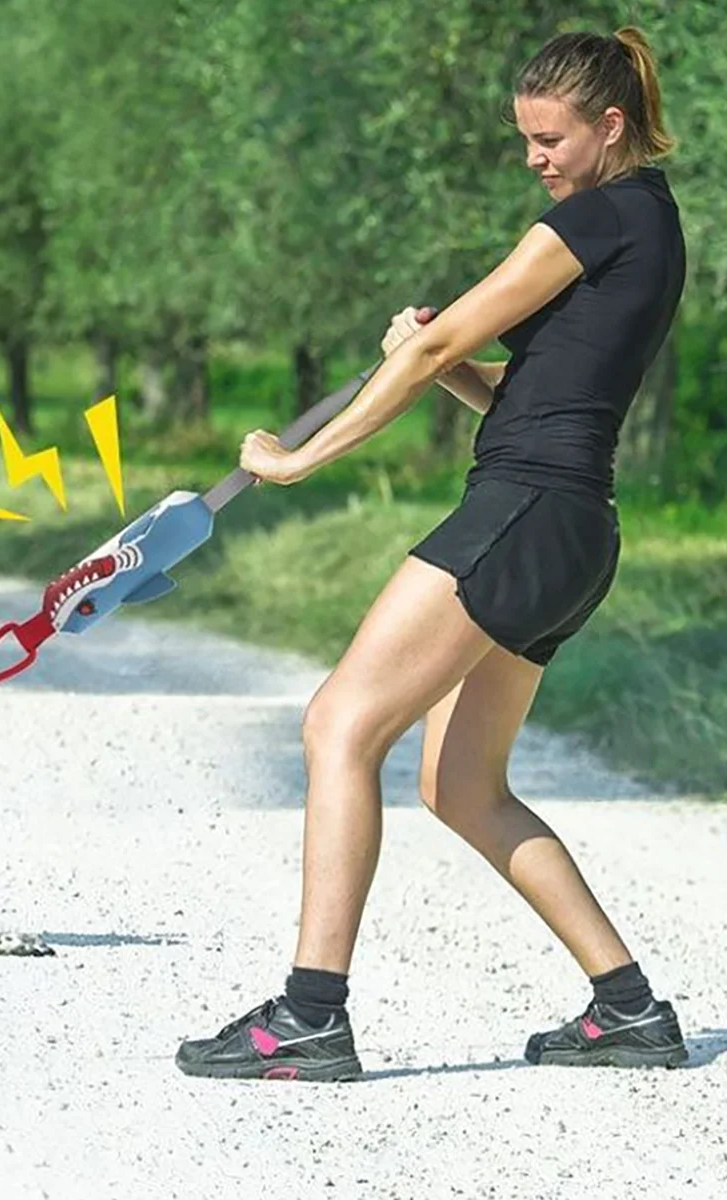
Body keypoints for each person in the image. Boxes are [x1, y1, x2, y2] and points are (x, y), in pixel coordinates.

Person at [176, 27, 689, 1081]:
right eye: (525, 142)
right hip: (570, 524)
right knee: (461, 787)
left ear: (610, 124)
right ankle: (630, 1010)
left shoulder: (593, 217)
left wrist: (298, 458)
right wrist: (434, 362)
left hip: (524, 510)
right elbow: (513, 389)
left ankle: (311, 1015)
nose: (536, 160)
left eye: (550, 139)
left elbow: (444, 342)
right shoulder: (651, 226)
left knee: (338, 724)